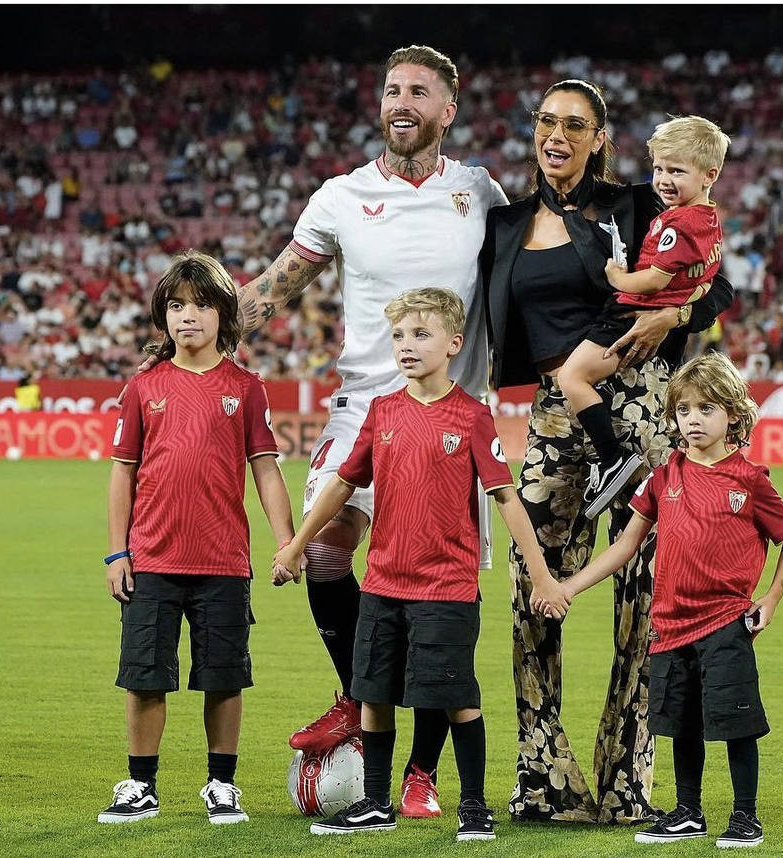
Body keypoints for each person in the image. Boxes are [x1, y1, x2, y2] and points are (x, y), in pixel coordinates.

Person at [234, 45, 509, 817]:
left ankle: (421, 772)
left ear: (446, 111)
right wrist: (189, 336)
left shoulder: (479, 191)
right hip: (364, 406)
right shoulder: (342, 197)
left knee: (432, 594)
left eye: (419, 92)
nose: (402, 101)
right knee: (326, 549)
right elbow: (273, 288)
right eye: (392, 89)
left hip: (450, 416)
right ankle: (358, 695)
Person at [480, 78, 734, 824]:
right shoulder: (504, 225)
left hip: (644, 405)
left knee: (647, 602)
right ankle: (545, 780)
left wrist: (675, 314)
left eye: (576, 124)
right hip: (556, 419)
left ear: (600, 139)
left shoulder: (636, 205)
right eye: (547, 122)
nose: (558, 134)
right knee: (533, 590)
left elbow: (716, 285)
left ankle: (628, 787)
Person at [272, 288, 563, 841]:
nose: (406, 345)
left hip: (446, 587)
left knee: (455, 696)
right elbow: (343, 485)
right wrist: (296, 545)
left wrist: (542, 576)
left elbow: (506, 498)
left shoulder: (473, 416)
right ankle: (376, 803)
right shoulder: (382, 413)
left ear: (454, 344)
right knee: (375, 694)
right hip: (384, 583)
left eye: (420, 335)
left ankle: (474, 808)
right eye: (399, 335)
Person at [557, 351, 783, 848]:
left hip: (726, 621)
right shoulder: (665, 476)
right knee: (681, 724)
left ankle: (745, 817)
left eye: (706, 409)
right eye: (684, 410)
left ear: (733, 414)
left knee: (735, 722)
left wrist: (771, 598)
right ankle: (688, 812)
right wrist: (569, 586)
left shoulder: (750, 480)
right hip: (669, 624)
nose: (693, 420)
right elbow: (625, 545)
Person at [98, 251, 295, 825]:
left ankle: (221, 784)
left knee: (224, 677)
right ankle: (140, 786)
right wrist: (117, 552)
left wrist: (286, 539)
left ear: (224, 314)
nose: (189, 316)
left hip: (223, 561)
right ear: (164, 315)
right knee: (144, 676)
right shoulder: (143, 388)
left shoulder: (246, 387)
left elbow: (265, 467)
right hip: (152, 559)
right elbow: (122, 472)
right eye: (178, 305)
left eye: (203, 304)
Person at [557, 115, 729, 518]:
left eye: (676, 171)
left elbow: (655, 280)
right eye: (658, 169)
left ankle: (612, 458)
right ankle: (613, 459)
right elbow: (705, 277)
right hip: (640, 322)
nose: (664, 179)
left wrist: (619, 276)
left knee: (572, 376)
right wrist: (690, 295)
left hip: (630, 319)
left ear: (710, 174)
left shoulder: (673, 219)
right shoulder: (706, 220)